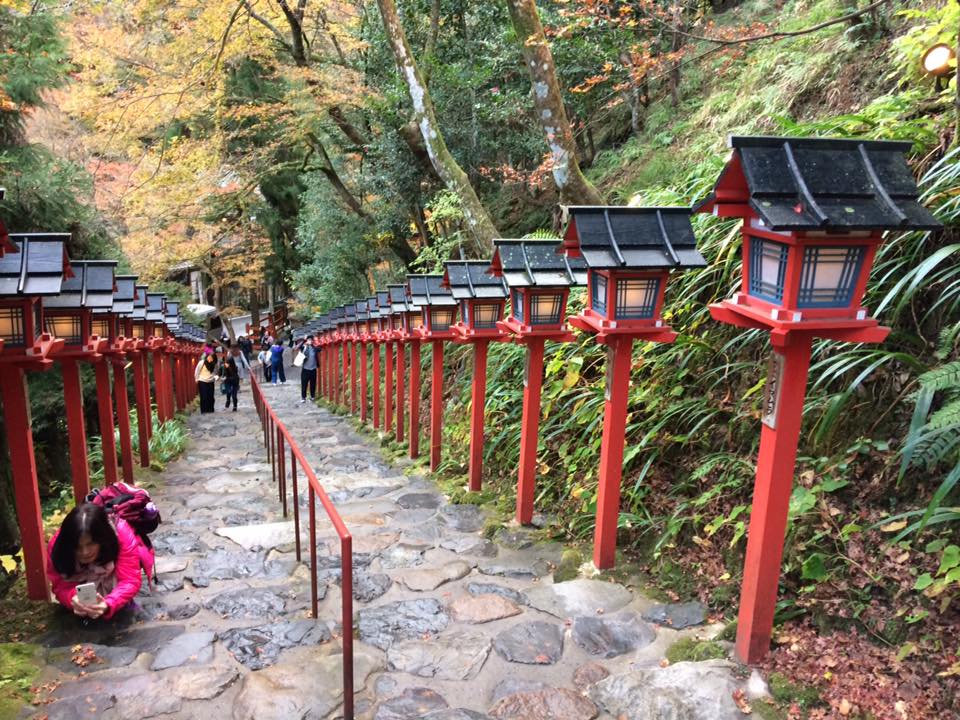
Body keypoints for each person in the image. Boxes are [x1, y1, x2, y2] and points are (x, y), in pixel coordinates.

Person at [46, 503, 152, 620]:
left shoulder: (121, 533)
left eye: (90, 544)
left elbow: (129, 580)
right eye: (77, 546)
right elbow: (60, 585)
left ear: (102, 539)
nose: (85, 552)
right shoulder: (57, 547)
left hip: (110, 569)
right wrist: (72, 598)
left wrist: (109, 603)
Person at [195, 346, 218, 413]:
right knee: (204, 396)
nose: (210, 358)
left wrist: (215, 377)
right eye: (209, 357)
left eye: (212, 357)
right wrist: (196, 378)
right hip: (202, 381)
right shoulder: (202, 363)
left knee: (211, 396)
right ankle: (204, 410)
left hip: (210, 381)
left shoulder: (213, 364)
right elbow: (197, 371)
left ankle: (210, 409)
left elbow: (215, 372)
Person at [297, 335, 319, 403]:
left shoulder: (314, 348)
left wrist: (316, 342)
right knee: (304, 383)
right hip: (305, 368)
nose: (310, 341)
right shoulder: (304, 347)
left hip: (313, 368)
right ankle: (303, 397)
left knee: (313, 383)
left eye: (311, 340)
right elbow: (298, 347)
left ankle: (312, 396)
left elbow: (320, 349)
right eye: (309, 340)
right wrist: (304, 341)